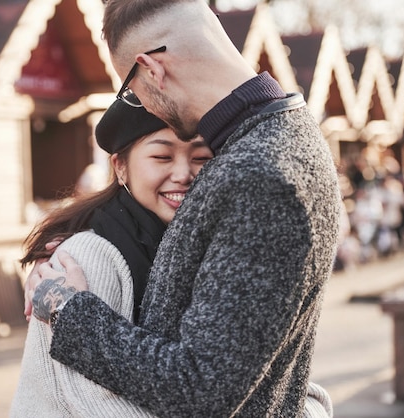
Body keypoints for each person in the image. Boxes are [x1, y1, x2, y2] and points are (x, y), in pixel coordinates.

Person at [25, 1, 341, 416]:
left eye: (132, 91)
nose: (147, 110)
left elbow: (203, 390)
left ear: (151, 69)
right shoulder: (285, 138)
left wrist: (69, 312)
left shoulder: (258, 172)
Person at [11, 100, 213, 417]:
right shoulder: (87, 256)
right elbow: (97, 402)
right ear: (120, 167)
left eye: (201, 158)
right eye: (162, 156)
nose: (183, 174)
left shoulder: (201, 247)